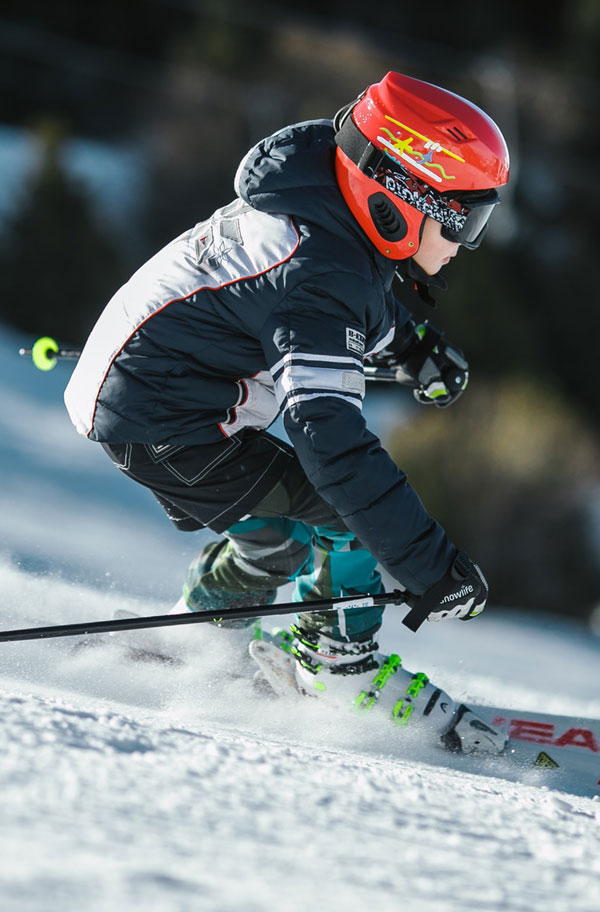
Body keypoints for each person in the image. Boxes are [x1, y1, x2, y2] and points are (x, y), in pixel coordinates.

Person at [64, 72, 510, 752]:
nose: (464, 244)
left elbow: (350, 296)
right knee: (347, 518)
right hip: (165, 421)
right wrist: (430, 567)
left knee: (280, 536)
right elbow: (330, 443)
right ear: (402, 198)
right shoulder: (316, 275)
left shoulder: (319, 209)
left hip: (153, 400)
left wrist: (413, 347)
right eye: (463, 219)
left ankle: (194, 637)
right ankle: (338, 665)